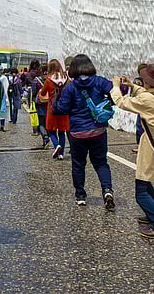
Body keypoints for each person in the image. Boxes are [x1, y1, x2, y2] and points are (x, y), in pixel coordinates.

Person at [111, 62, 154, 240]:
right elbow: (148, 96)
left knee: (141, 191)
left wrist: (116, 86)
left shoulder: (148, 99)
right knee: (146, 183)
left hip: (151, 148)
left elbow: (121, 102)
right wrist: (133, 86)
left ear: (148, 83)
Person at [54, 54, 115, 209]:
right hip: (98, 130)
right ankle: (107, 191)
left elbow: (62, 109)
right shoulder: (100, 81)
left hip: (78, 132)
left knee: (78, 164)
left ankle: (80, 195)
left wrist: (56, 101)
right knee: (101, 163)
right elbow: (116, 92)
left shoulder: (70, 87)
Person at [41, 59, 70, 160]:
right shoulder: (66, 79)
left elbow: (43, 93)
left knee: (51, 130)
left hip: (52, 109)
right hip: (64, 109)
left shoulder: (49, 79)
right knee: (62, 131)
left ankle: (56, 145)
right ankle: (61, 154)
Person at [29, 60, 48, 144]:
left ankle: (45, 137)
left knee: (41, 122)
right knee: (47, 121)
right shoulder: (51, 79)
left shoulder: (36, 80)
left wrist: (33, 103)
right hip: (49, 104)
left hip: (40, 104)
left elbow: (33, 93)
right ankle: (49, 136)